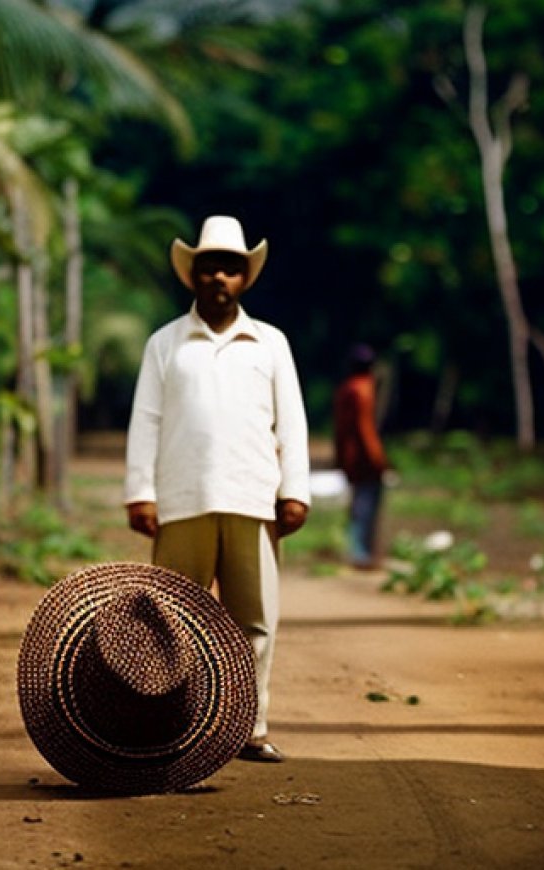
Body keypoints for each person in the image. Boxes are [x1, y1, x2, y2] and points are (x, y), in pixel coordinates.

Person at [124, 215, 311, 763]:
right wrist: (142, 491)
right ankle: (169, 722)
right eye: (209, 269)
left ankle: (249, 728)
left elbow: (292, 423)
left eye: (230, 268)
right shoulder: (166, 344)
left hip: (253, 499)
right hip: (183, 500)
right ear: (193, 277)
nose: (219, 279)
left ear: (245, 278)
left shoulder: (270, 343)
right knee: (171, 617)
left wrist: (294, 490)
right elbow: (147, 420)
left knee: (254, 620)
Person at [333, 343, 389, 569]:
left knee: (358, 503)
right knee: (367, 504)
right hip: (365, 458)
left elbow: (340, 428)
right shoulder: (364, 389)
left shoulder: (345, 388)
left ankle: (359, 550)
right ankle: (361, 553)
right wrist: (378, 457)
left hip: (350, 456)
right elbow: (365, 427)